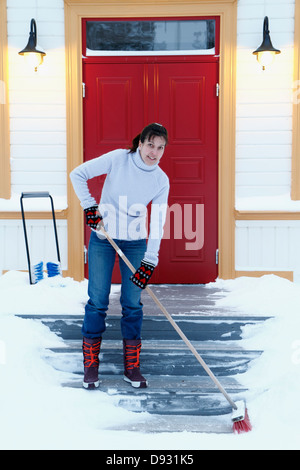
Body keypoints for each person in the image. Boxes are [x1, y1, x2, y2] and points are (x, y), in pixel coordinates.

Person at [70, 123, 169, 389]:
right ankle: (91, 366)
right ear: (141, 143)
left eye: (160, 147)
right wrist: (90, 207)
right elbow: (77, 174)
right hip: (103, 238)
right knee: (98, 300)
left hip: (135, 243)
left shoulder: (160, 180)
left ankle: (132, 367)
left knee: (133, 303)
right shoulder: (118, 159)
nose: (154, 152)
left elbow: (158, 221)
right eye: (151, 144)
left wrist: (150, 259)